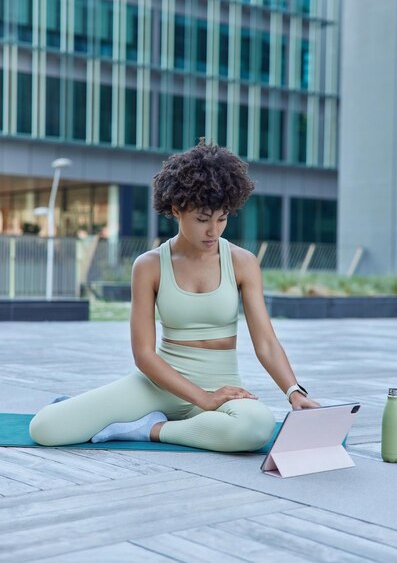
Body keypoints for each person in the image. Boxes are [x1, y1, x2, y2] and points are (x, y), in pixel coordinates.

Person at [30, 141, 319, 452]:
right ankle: (95, 409)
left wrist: (293, 391)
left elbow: (266, 341)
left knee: (256, 427)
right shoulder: (149, 265)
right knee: (45, 429)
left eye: (222, 218)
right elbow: (143, 354)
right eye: (202, 219)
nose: (213, 230)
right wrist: (201, 398)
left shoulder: (242, 262)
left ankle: (149, 429)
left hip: (221, 387)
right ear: (176, 209)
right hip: (157, 387)